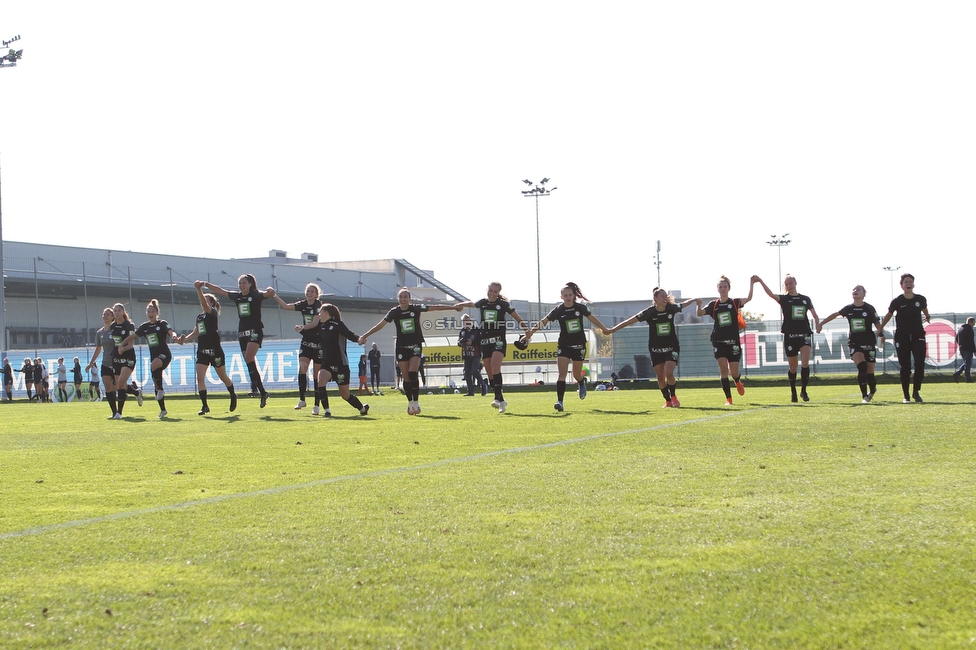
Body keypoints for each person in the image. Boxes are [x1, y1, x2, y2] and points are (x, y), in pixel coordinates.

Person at [359, 288, 461, 415]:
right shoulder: (394, 312)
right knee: (406, 378)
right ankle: (410, 403)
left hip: (415, 346)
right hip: (401, 348)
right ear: (398, 299)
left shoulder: (415, 308)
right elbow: (381, 325)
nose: (403, 299)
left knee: (413, 373)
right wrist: (365, 335)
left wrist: (453, 308)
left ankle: (416, 402)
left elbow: (434, 307)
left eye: (405, 297)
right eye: (400, 297)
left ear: (409, 298)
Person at [522, 282, 610, 412]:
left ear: (574, 295)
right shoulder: (558, 310)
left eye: (570, 295)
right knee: (561, 374)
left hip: (579, 345)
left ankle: (581, 382)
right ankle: (560, 402)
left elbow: (592, 318)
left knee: (576, 374)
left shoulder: (580, 308)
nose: (568, 297)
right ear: (561, 296)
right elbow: (543, 322)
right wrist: (530, 333)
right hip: (564, 345)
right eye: (565, 295)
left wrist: (604, 329)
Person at [607, 287, 696, 408]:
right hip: (655, 349)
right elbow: (629, 321)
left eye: (666, 296)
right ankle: (667, 400)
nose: (665, 298)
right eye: (662, 296)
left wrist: (694, 300)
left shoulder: (671, 309)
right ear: (655, 298)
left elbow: (682, 305)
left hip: (672, 347)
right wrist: (612, 329)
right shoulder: (649, 312)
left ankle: (674, 396)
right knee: (660, 377)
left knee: (669, 373)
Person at [199, 275, 275, 408]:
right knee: (249, 361)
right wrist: (206, 284)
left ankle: (255, 388)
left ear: (250, 284)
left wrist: (270, 292)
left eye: (244, 283)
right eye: (239, 283)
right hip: (242, 333)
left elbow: (267, 294)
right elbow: (220, 291)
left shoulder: (256, 295)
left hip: (255, 331)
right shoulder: (237, 296)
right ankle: (262, 392)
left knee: (249, 357)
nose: (241, 285)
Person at [456, 282, 528, 414]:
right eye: (490, 290)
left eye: (495, 291)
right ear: (487, 290)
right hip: (485, 341)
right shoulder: (483, 302)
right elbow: (472, 303)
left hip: (498, 340)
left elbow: (517, 318)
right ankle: (501, 400)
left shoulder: (503, 305)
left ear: (498, 292)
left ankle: (496, 398)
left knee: (495, 367)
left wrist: (527, 332)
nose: (492, 293)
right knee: (490, 372)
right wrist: (460, 305)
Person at [754, 274, 820, 403]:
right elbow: (771, 294)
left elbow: (814, 315)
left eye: (791, 283)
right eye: (787, 284)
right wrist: (761, 281)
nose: (789, 286)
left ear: (795, 283)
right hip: (790, 336)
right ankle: (793, 392)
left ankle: (804, 391)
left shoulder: (805, 299)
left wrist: (818, 324)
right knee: (793, 368)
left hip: (804, 334)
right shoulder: (784, 299)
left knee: (805, 363)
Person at [818, 285, 885, 403]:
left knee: (870, 375)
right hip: (855, 343)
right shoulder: (848, 309)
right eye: (854, 290)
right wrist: (821, 323)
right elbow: (835, 314)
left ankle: (872, 390)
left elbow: (877, 324)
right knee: (862, 367)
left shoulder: (869, 308)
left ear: (864, 294)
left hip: (869, 343)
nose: (855, 291)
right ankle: (864, 396)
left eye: (858, 290)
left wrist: (881, 334)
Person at [299, 303, 369, 417]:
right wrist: (302, 331)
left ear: (326, 313)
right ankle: (327, 411)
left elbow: (349, 334)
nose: (318, 314)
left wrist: (358, 339)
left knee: (345, 395)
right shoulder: (321, 327)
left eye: (320, 312)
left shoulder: (338, 325)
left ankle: (362, 409)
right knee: (320, 381)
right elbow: (316, 339)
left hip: (340, 363)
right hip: (326, 362)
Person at [696, 275, 756, 405]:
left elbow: (749, 298)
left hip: (733, 341)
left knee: (733, 372)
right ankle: (729, 399)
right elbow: (700, 313)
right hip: (719, 341)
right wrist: (699, 305)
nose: (723, 289)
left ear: (729, 288)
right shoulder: (714, 304)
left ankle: (737, 381)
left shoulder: (734, 302)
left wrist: (751, 283)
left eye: (725, 287)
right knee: (723, 369)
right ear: (718, 289)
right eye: (720, 287)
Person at [181, 281, 238, 415]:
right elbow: (195, 333)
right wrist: (182, 340)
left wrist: (199, 289)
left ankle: (233, 394)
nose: (204, 302)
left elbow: (203, 304)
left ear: (211, 303)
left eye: (207, 300)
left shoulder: (212, 313)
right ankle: (205, 406)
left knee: (223, 377)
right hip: (202, 350)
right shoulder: (200, 317)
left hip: (214, 350)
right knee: (200, 378)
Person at [880, 273, 930, 403]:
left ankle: (916, 392)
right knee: (905, 367)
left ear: (913, 284)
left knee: (919, 363)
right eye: (906, 282)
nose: (908, 283)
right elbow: (889, 314)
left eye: (910, 281)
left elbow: (925, 310)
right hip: (902, 336)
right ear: (901, 285)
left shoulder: (920, 299)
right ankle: (906, 395)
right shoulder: (897, 301)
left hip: (918, 335)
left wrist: (927, 316)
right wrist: (880, 328)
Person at [128, 298, 182, 419]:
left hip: (164, 355)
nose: (150, 314)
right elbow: (133, 336)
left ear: (157, 313)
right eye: (149, 311)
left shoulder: (162, 323)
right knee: (156, 383)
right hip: (154, 357)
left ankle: (160, 390)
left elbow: (170, 331)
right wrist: (123, 345)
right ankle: (163, 409)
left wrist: (174, 336)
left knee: (153, 366)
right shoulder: (144, 327)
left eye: (153, 311)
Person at [274, 283, 323, 413]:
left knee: (316, 375)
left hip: (318, 343)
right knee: (302, 368)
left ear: (316, 294)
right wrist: (274, 295)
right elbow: (285, 306)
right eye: (308, 291)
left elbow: (315, 323)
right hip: (306, 341)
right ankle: (302, 399)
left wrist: (302, 328)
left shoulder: (319, 306)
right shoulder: (303, 304)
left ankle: (317, 405)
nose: (309, 293)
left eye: (312, 291)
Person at [110, 302, 142, 418]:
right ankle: (136, 392)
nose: (117, 312)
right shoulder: (113, 326)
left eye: (119, 310)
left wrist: (122, 348)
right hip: (116, 357)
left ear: (123, 312)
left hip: (128, 356)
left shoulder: (129, 325)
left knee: (121, 382)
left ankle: (119, 412)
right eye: (115, 311)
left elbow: (131, 344)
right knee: (120, 385)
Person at [86, 307, 119, 417]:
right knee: (108, 387)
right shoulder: (99, 332)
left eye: (108, 314)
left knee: (118, 386)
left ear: (112, 317)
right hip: (105, 363)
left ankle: (135, 391)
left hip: (116, 362)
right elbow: (98, 348)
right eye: (104, 314)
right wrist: (91, 363)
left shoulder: (115, 330)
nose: (105, 316)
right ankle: (115, 412)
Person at [457, 314, 485, 396]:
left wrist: (472, 342)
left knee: (474, 371)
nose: (466, 322)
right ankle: (470, 391)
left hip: (475, 354)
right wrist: (460, 343)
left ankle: (483, 385)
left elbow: (480, 341)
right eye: (464, 321)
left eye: (467, 320)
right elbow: (460, 341)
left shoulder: (476, 330)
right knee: (467, 373)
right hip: (466, 354)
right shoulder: (462, 331)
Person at [954, 317, 976, 383]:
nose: (974, 324)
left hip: (962, 348)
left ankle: (958, 374)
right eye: (973, 322)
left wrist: (961, 345)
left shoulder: (961, 328)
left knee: (966, 363)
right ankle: (967, 378)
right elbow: (971, 341)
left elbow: (956, 338)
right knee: (968, 364)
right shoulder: (969, 329)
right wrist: (974, 350)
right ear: (970, 322)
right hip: (968, 349)